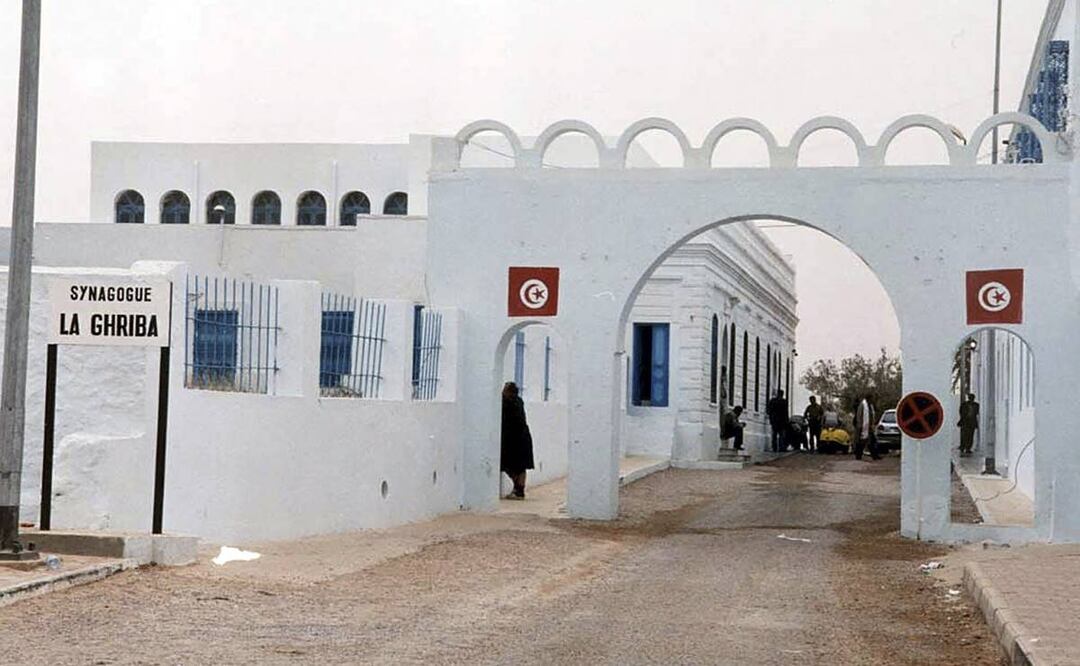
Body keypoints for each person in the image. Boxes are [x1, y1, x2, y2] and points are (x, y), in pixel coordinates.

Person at [500, 381, 534, 499]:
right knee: (521, 466)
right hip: (523, 436)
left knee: (506, 464)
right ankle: (519, 490)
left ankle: (518, 488)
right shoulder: (519, 401)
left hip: (513, 439)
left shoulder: (506, 402)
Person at [853, 392, 880, 461]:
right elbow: (859, 415)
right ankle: (858, 455)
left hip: (869, 427)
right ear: (869, 398)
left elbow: (872, 415)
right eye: (872, 398)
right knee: (862, 442)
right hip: (863, 427)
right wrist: (860, 426)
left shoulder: (870, 406)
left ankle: (875, 456)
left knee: (872, 441)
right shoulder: (862, 405)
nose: (873, 400)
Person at [958, 393, 980, 457]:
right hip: (965, 422)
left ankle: (968, 448)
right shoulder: (964, 404)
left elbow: (976, 413)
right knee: (964, 435)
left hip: (972, 423)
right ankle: (963, 447)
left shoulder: (976, 405)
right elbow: (961, 412)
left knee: (970, 436)